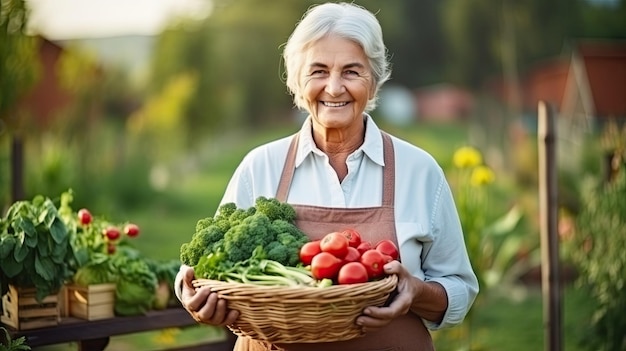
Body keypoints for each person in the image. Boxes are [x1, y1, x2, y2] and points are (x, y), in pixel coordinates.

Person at [175, 2, 479, 350]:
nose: (334, 88)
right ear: (296, 81)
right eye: (318, 71)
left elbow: (459, 289)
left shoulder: (418, 170)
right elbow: (198, 269)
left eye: (351, 71)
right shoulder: (260, 167)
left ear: (374, 80)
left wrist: (417, 291)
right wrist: (191, 295)